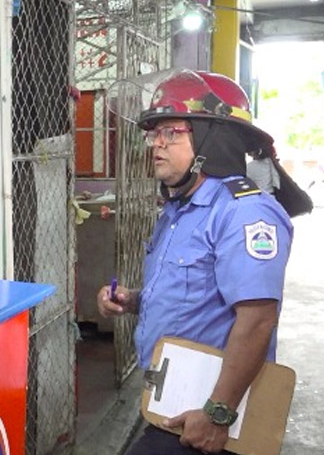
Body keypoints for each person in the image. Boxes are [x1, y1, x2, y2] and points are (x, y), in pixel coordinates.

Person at [97, 70, 293, 455]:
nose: (156, 144)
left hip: (211, 417)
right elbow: (197, 293)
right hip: (171, 401)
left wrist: (218, 414)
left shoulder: (244, 213)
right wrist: (134, 300)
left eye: (172, 132)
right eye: (154, 134)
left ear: (210, 138)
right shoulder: (179, 208)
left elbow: (257, 319)